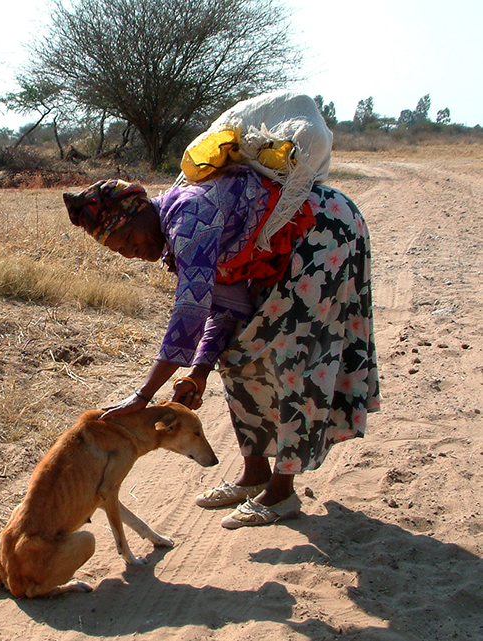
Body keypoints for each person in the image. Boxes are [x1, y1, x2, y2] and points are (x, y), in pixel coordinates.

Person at [62, 164, 380, 529]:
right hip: (292, 246)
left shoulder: (188, 217)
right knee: (237, 352)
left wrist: (143, 394)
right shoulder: (172, 233)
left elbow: (190, 310)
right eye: (122, 252)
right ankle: (255, 473)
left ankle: (282, 491)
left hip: (321, 231)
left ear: (143, 211)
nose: (133, 253)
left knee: (295, 351)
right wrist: (197, 374)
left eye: (130, 239)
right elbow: (226, 309)